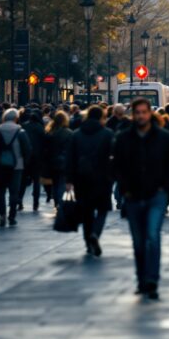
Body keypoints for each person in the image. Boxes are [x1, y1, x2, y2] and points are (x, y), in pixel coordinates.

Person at [113, 98, 169, 299]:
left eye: (144, 112)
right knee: (138, 242)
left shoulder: (164, 137)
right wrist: (124, 188)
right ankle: (141, 279)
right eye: (137, 112)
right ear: (132, 115)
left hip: (156, 195)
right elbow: (116, 165)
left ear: (150, 113)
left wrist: (166, 189)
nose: (141, 116)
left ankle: (152, 279)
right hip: (133, 195)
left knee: (152, 236)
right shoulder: (124, 138)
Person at [67, 106, 114, 257]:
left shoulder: (76, 134)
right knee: (102, 209)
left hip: (81, 178)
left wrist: (69, 180)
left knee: (87, 211)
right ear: (102, 117)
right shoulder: (107, 134)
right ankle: (95, 234)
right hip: (102, 177)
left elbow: (70, 159)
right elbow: (114, 155)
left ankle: (88, 241)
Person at [0, 109, 32, 227]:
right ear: (16, 118)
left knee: (0, 191)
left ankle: (2, 214)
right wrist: (25, 163)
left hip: (0, 165)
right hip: (17, 165)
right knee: (14, 192)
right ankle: (12, 216)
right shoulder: (20, 131)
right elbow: (27, 149)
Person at [44, 111, 73, 207]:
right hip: (65, 161)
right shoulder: (69, 133)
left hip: (52, 161)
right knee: (61, 183)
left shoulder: (50, 132)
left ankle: (56, 201)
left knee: (55, 183)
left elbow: (46, 148)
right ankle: (60, 202)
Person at [20, 110, 47, 211]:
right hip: (37, 158)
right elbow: (45, 143)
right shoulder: (40, 128)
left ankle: (20, 200)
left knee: (23, 181)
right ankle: (35, 203)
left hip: (25, 157)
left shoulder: (24, 126)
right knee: (36, 181)